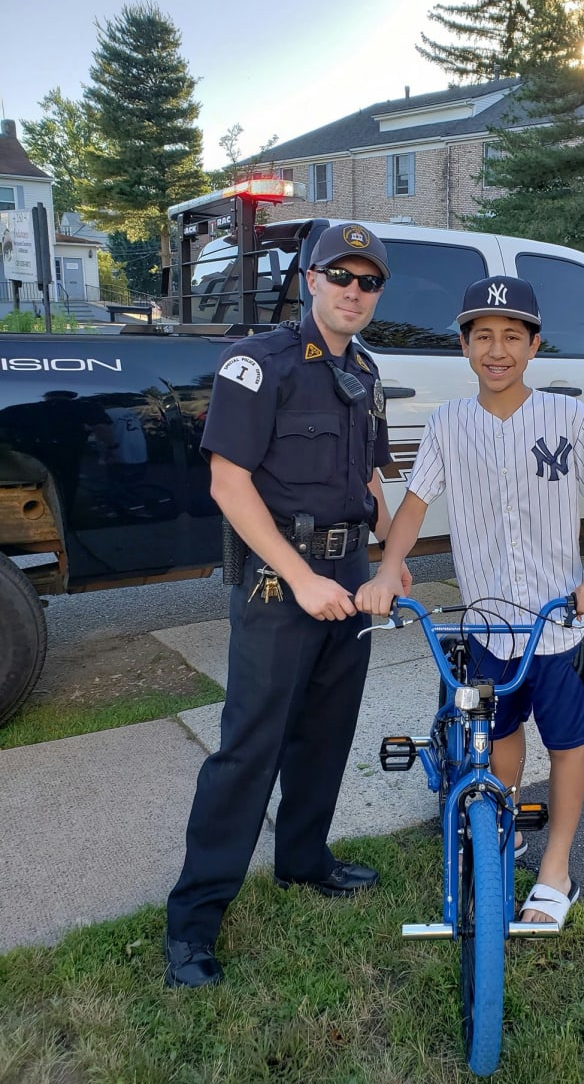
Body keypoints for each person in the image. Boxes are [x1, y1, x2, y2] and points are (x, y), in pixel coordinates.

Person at [164, 223, 411, 987]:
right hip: (281, 582)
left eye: (368, 281)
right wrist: (301, 577)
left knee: (326, 734)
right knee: (250, 748)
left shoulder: (365, 372)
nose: (353, 291)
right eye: (341, 274)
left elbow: (374, 484)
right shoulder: (258, 364)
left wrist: (392, 561)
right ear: (310, 278)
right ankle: (194, 925)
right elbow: (228, 485)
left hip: (351, 571)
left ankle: (304, 862)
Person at [356, 276, 584, 928]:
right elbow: (414, 505)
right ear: (465, 346)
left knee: (565, 742)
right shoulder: (449, 424)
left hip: (557, 625)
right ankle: (505, 827)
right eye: (482, 337)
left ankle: (555, 870)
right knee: (499, 740)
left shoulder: (568, 417)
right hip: (487, 626)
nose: (496, 350)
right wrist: (390, 567)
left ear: (534, 345)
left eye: (510, 336)